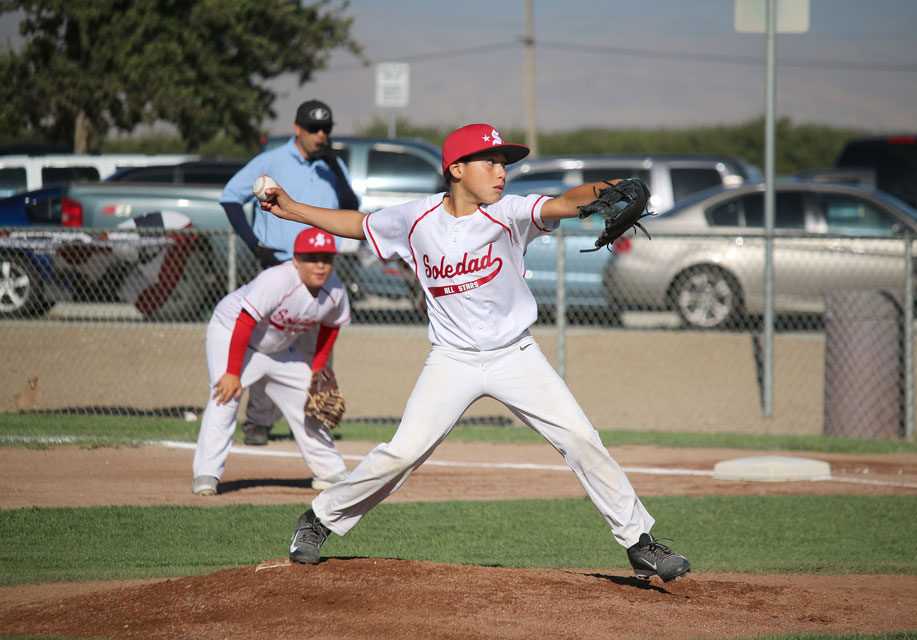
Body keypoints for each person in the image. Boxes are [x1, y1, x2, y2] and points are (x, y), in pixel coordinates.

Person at [260, 123, 691, 582]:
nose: (501, 171)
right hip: (452, 359)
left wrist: (609, 190)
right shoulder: (416, 218)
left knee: (581, 438)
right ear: (457, 169)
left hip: (515, 355)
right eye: (491, 161)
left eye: (505, 163)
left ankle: (640, 543)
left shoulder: (509, 212)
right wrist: (293, 211)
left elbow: (565, 202)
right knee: (402, 452)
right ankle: (318, 520)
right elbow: (359, 225)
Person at [220, 99, 359, 446]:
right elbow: (230, 197)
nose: (320, 134)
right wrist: (254, 244)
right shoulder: (272, 161)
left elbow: (352, 207)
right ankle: (257, 424)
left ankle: (312, 421)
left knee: (314, 350)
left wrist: (335, 167)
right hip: (278, 265)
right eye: (313, 129)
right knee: (270, 347)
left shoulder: (331, 165)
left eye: (326, 129)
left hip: (320, 268)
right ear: (297, 129)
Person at [191, 227, 352, 496]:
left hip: (277, 347)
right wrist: (232, 372)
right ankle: (206, 474)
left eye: (326, 258)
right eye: (312, 258)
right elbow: (245, 321)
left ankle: (330, 471)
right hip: (231, 332)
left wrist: (317, 369)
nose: (321, 265)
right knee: (225, 395)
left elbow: (331, 326)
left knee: (308, 399)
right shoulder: (277, 280)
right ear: (296, 260)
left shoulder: (335, 290)